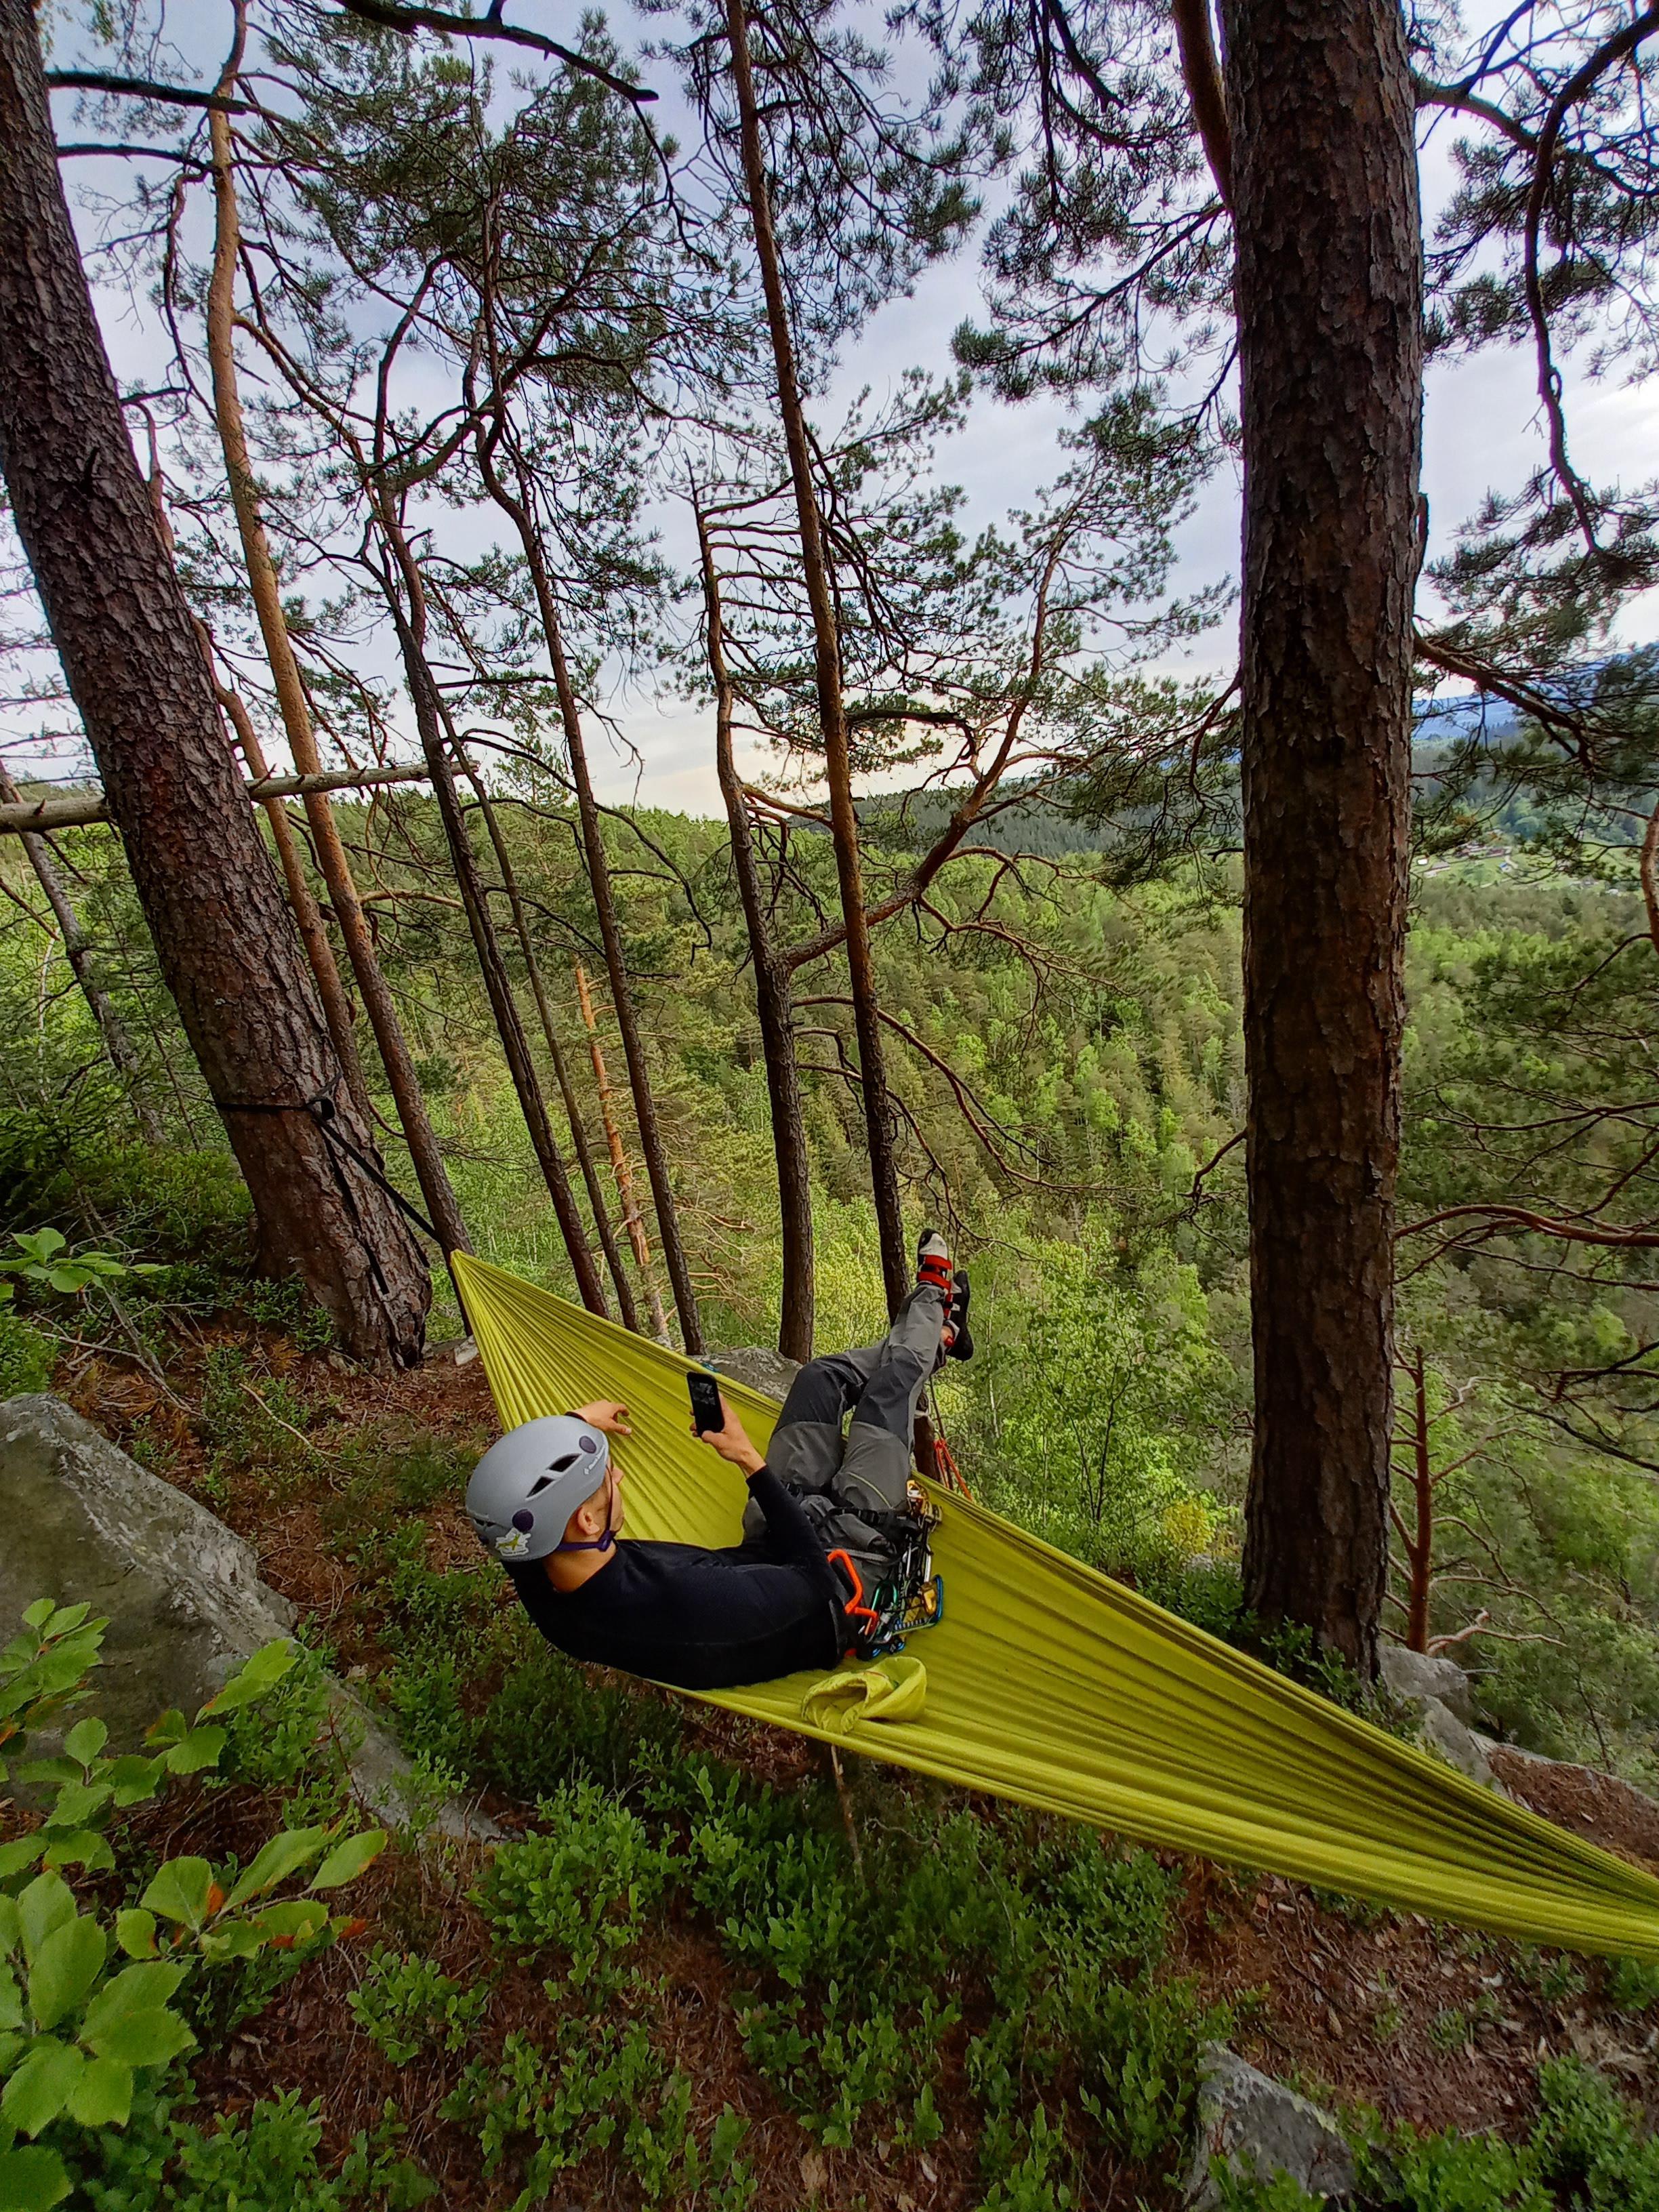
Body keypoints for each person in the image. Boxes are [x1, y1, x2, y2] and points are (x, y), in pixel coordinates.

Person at [465, 1234, 972, 1691]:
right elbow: (814, 1578)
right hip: (847, 1571)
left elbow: (517, 1516)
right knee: (889, 1390)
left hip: (774, 1549)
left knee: (818, 1379)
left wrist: (575, 1426)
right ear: (587, 1519)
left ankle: (938, 1337)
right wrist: (747, 1459)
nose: (616, 1474)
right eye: (604, 1481)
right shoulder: (691, 1605)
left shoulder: (545, 1567)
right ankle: (932, 1310)